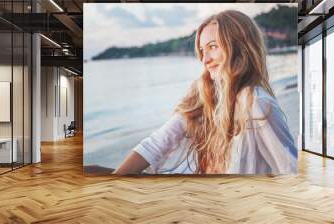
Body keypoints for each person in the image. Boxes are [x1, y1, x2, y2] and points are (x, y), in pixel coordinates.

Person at [112, 10, 297, 175]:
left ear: (240, 45)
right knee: (94, 170)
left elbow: (290, 169)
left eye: (213, 46)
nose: (205, 59)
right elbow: (157, 143)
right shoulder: (204, 96)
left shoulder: (256, 102)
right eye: (202, 50)